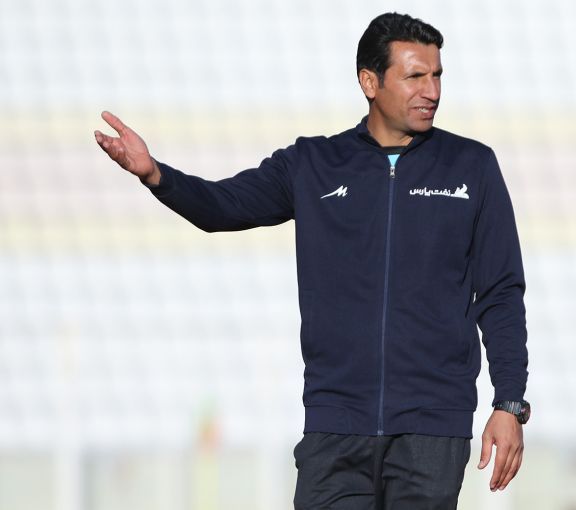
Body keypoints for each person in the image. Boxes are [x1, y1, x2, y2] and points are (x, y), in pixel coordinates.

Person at [95, 12, 529, 510]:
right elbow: (222, 207)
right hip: (335, 425)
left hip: (432, 429)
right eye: (414, 76)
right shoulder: (312, 164)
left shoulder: (472, 166)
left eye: (437, 75)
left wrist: (509, 402)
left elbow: (500, 293)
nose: (430, 91)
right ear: (370, 82)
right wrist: (155, 174)